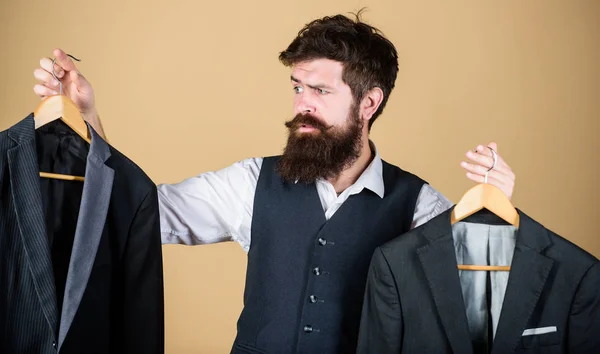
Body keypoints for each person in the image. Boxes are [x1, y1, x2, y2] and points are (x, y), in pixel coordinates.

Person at [33, 11, 516, 354]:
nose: (302, 104)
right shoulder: (250, 182)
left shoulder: (419, 205)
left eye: (321, 90)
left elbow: (486, 299)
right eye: (297, 88)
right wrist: (87, 124)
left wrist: (497, 205)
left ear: (369, 103)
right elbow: (137, 215)